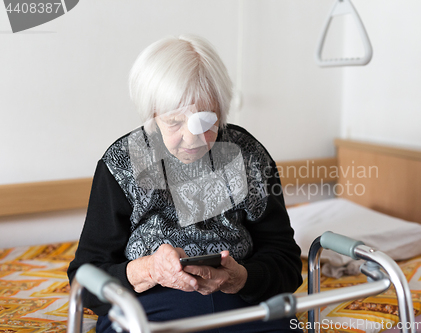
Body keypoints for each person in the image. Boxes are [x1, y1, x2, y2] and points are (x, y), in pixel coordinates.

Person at [67, 35, 303, 333]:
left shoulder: (248, 156)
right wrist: (151, 270)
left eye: (207, 123)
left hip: (245, 308)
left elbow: (286, 261)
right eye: (176, 123)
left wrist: (241, 277)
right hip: (148, 311)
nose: (194, 139)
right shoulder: (121, 163)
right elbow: (85, 278)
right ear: (152, 114)